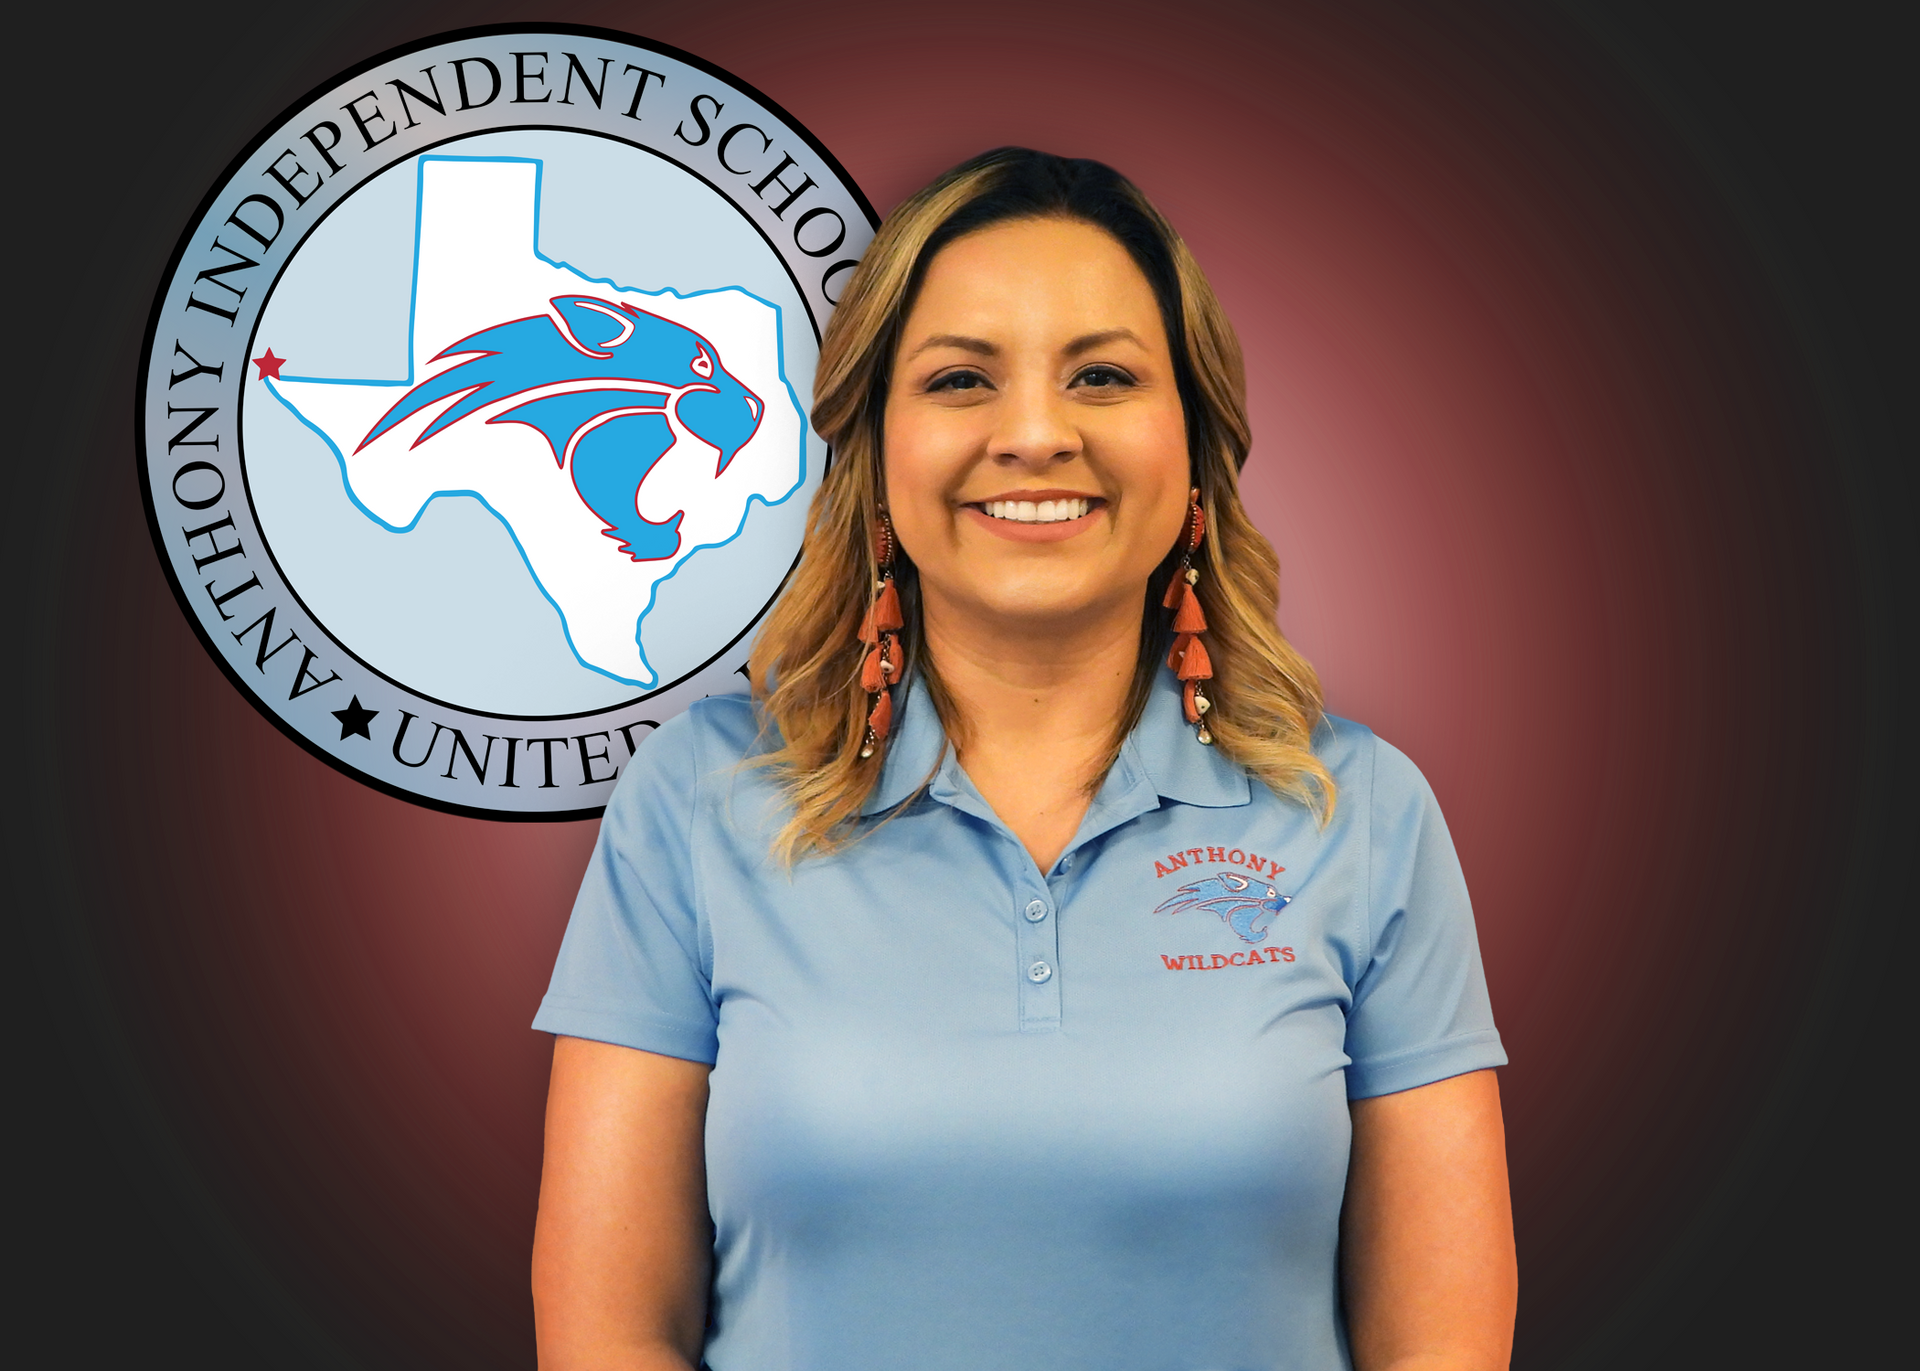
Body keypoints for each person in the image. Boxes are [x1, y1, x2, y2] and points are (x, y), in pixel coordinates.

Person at [530, 147, 1515, 1371]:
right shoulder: (697, 796)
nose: (1036, 435)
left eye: (1102, 375)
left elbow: (1443, 1348)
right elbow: (606, 1336)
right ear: (875, 453)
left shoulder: (1359, 811)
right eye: (960, 380)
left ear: (1195, 445)